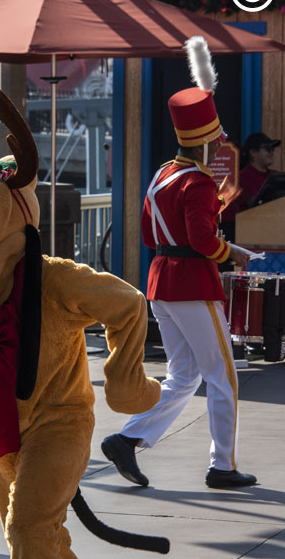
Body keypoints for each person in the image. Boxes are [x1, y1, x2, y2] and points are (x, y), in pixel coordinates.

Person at [101, 36, 256, 490]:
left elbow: (158, 233)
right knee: (223, 377)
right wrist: (235, 253)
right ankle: (222, 465)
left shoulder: (164, 175)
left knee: (184, 375)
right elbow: (203, 241)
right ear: (208, 141)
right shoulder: (201, 183)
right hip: (192, 283)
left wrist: (214, 211)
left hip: (160, 282)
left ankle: (128, 440)